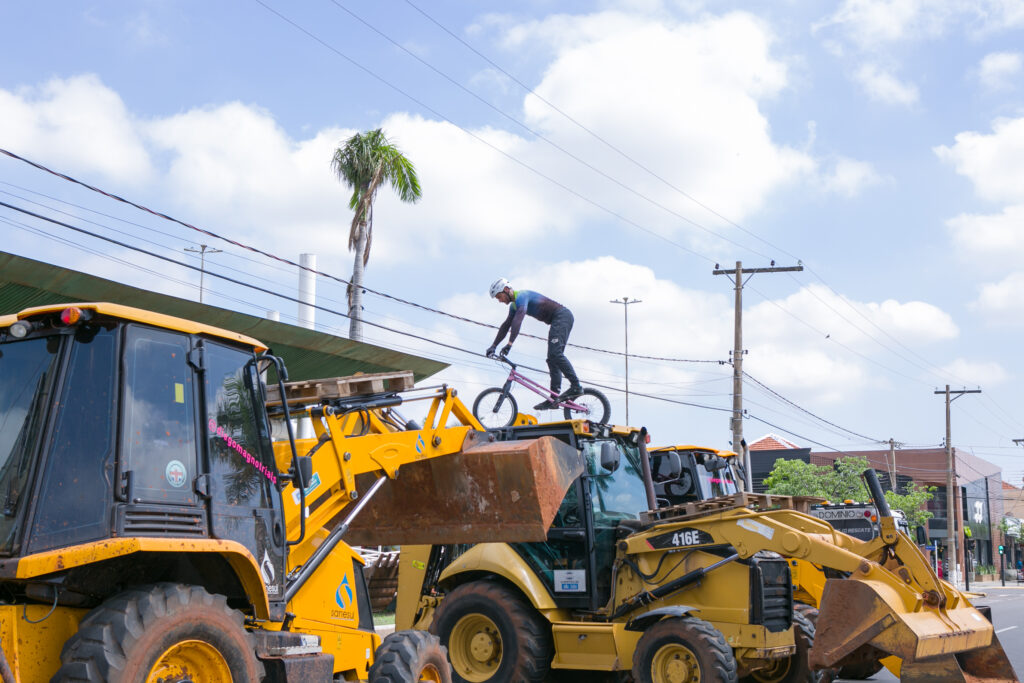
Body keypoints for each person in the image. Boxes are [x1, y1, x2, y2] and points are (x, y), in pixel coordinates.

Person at [485, 278, 582, 411]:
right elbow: (506, 325)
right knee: (552, 359)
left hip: (562, 316)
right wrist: (493, 346)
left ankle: (576, 386)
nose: (500, 300)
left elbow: (518, 321)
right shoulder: (513, 306)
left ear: (506, 290)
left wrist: (510, 343)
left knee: (555, 354)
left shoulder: (521, 297)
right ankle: (554, 398)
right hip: (557, 320)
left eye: (499, 296)